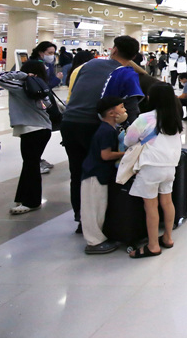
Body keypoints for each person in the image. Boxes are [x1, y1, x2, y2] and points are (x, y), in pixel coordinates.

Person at [60, 36, 144, 232]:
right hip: (95, 127)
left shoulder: (89, 65)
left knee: (77, 172)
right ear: (133, 56)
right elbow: (132, 108)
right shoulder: (127, 73)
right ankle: (97, 223)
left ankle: (81, 218)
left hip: (69, 123)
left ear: (113, 50)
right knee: (97, 174)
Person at [124, 83, 183, 258]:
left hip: (150, 167)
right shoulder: (175, 118)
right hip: (170, 167)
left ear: (152, 98)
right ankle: (168, 237)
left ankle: (153, 245)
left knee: (151, 206)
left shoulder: (145, 118)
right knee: (167, 202)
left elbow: (128, 141)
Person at [0, 60, 53, 215]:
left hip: (32, 130)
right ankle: (22, 197)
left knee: (31, 165)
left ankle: (32, 202)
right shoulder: (41, 87)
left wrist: (22, 75)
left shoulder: (20, 86)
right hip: (42, 129)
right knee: (29, 164)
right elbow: (49, 106)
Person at [80, 96, 127, 255]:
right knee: (93, 210)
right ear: (112, 112)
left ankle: (98, 238)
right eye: (121, 107)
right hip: (94, 175)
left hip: (99, 174)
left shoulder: (110, 128)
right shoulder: (106, 130)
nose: (124, 110)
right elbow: (105, 155)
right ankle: (93, 242)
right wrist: (125, 153)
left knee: (99, 208)